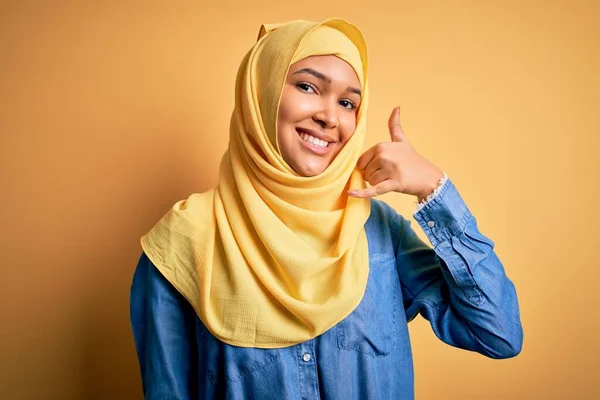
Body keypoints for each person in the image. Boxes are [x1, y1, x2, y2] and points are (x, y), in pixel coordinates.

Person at [130, 18, 523, 399]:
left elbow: (498, 333)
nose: (330, 117)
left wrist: (433, 190)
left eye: (348, 102)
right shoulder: (184, 242)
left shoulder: (377, 231)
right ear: (261, 93)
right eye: (307, 86)